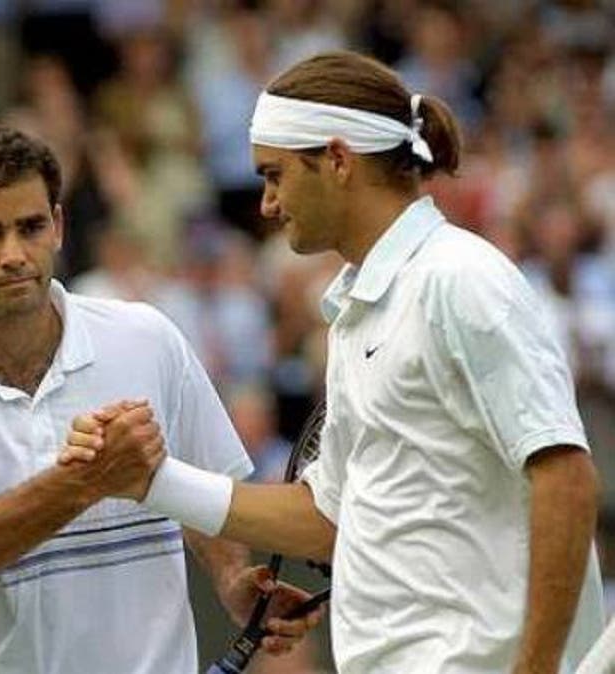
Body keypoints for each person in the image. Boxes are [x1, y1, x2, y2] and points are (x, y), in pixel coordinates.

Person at [62, 51, 605, 673]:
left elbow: (566, 476)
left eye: (275, 175)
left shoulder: (461, 280)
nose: (266, 203)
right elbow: (326, 517)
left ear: (339, 161)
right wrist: (151, 481)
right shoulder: (361, 308)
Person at [0, 123, 318, 673]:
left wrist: (234, 579)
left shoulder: (148, 338)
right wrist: (84, 482)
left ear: (59, 226)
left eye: (31, 227)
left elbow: (205, 485)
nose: (14, 254)